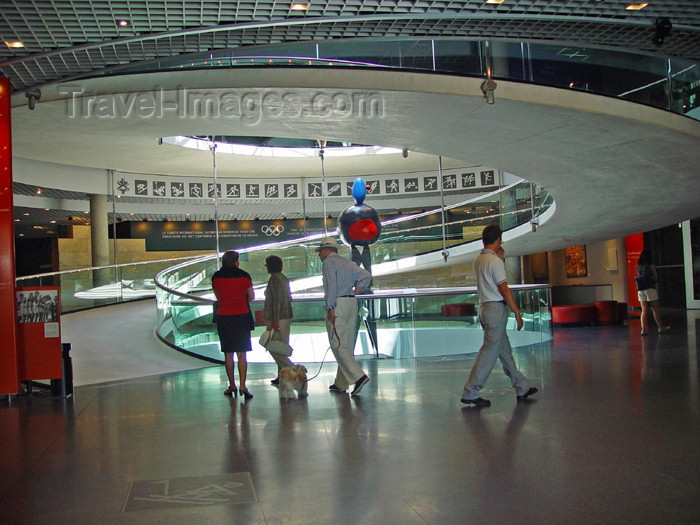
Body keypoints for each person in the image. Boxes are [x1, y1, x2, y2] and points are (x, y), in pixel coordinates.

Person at [461, 224, 537, 407]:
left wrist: (499, 258)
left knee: (504, 351)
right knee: (488, 353)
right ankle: (471, 391)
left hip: (485, 308)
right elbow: (503, 288)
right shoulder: (494, 262)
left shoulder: (480, 260)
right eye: (500, 240)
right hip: (496, 310)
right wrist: (517, 312)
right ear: (497, 240)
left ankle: (522, 386)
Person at [316, 237, 372, 395]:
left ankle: (358, 376)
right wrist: (356, 291)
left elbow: (331, 287)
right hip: (351, 302)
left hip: (338, 304)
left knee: (337, 343)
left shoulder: (328, 263)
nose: (319, 255)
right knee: (346, 343)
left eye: (320, 251)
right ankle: (341, 383)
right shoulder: (348, 263)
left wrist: (330, 307)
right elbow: (366, 275)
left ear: (327, 250)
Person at [212, 250, 255, 399]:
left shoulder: (216, 277)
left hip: (224, 317)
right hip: (241, 316)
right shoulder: (244, 276)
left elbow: (217, 296)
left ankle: (232, 385)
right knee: (242, 354)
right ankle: (243, 385)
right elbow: (251, 296)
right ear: (236, 262)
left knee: (228, 354)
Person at [263, 254, 295, 385]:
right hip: (286, 316)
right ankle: (282, 376)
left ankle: (292, 370)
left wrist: (274, 321)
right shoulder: (284, 278)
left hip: (278, 318)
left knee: (273, 347)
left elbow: (276, 301)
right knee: (281, 346)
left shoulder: (274, 279)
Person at [637, 249, 670, 335]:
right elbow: (655, 278)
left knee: (644, 310)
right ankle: (660, 327)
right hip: (650, 288)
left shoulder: (639, 266)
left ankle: (643, 330)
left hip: (641, 289)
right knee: (655, 309)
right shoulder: (651, 265)